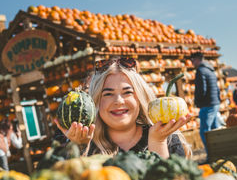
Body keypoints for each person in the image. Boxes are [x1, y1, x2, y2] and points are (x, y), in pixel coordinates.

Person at [55, 57, 192, 159]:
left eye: (127, 92)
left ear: (139, 98)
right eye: (108, 94)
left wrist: (158, 142)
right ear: (95, 101)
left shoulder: (167, 138)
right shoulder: (87, 146)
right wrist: (79, 148)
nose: (118, 101)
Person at [190, 52, 221, 159]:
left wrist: (197, 101)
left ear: (197, 59)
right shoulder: (210, 70)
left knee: (205, 132)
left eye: (192, 60)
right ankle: (220, 153)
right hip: (215, 103)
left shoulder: (200, 71)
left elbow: (201, 90)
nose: (192, 62)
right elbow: (217, 88)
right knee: (215, 130)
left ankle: (211, 155)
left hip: (207, 105)